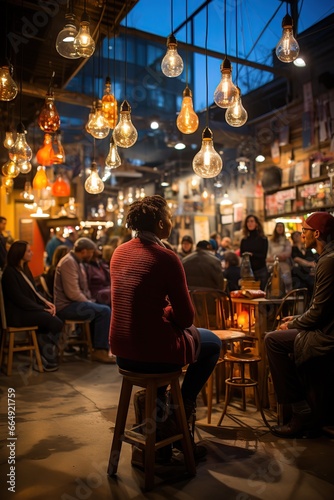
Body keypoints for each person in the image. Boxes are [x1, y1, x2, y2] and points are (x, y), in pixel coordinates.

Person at [109, 195, 222, 461]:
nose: (172, 222)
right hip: (153, 352)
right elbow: (185, 318)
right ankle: (177, 413)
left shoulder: (119, 252)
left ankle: (157, 438)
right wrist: (167, 311)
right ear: (161, 224)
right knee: (213, 343)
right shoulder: (166, 258)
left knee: (165, 345)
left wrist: (161, 311)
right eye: (170, 218)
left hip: (122, 351)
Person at [265, 212, 334, 438]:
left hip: (327, 334)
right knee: (284, 331)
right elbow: (320, 309)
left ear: (317, 233)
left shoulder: (328, 261)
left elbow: (317, 314)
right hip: (325, 327)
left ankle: (300, 412)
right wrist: (296, 321)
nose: (301, 234)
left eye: (304, 230)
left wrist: (294, 322)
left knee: (272, 340)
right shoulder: (327, 257)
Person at [2, 240, 63, 371]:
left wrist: (46, 304)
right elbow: (19, 299)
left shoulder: (24, 269)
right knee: (54, 322)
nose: (32, 253)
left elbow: (34, 292)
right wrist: (42, 309)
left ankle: (44, 355)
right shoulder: (10, 273)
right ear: (20, 253)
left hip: (27, 310)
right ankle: (45, 355)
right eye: (28, 251)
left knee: (53, 321)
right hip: (17, 314)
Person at [54, 237, 114, 364]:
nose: (92, 255)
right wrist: (90, 303)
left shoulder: (77, 262)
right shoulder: (68, 262)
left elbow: (83, 289)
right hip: (66, 307)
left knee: (101, 308)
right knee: (104, 311)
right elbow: (73, 293)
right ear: (84, 251)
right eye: (91, 252)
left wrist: (90, 302)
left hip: (75, 303)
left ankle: (95, 346)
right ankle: (100, 351)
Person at [240, 214, 268, 290]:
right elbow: (241, 254)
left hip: (260, 270)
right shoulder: (244, 240)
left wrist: (252, 254)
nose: (250, 223)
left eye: (252, 221)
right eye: (248, 222)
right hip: (248, 272)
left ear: (256, 224)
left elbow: (263, 256)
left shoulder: (263, 239)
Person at [266, 222, 292, 293]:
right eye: (278, 226)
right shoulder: (270, 241)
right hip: (272, 264)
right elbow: (268, 256)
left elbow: (287, 254)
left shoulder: (286, 241)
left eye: (281, 226)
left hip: (283, 265)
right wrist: (276, 258)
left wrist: (276, 256)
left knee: (286, 279)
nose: (280, 228)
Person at [290, 230, 316, 300]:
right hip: (299, 272)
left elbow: (313, 258)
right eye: (295, 235)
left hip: (309, 272)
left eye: (299, 235)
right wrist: (309, 264)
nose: (298, 237)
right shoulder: (293, 248)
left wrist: (312, 265)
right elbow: (296, 259)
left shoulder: (307, 247)